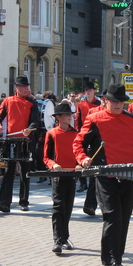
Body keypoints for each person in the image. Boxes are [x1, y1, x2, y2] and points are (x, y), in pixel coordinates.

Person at [73, 84, 133, 266]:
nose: (117, 104)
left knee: (124, 218)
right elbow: (78, 143)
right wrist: (82, 158)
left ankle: (111, 257)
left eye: (121, 101)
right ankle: (116, 261)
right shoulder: (94, 119)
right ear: (106, 100)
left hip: (129, 176)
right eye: (114, 101)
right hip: (106, 176)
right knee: (113, 216)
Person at [0, 76, 39, 212]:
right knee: (9, 171)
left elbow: (35, 121)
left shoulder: (32, 102)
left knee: (25, 172)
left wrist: (29, 129)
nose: (27, 89)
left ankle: (24, 201)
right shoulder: (7, 101)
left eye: (27, 86)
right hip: (11, 141)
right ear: (17, 87)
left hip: (26, 140)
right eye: (24, 87)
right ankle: (4, 203)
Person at [44, 102, 79, 254]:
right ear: (58, 117)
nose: (70, 117)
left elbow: (79, 153)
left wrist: (80, 165)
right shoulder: (51, 134)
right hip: (58, 175)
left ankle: (65, 238)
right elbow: (46, 157)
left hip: (71, 174)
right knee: (58, 207)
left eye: (70, 114)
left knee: (68, 206)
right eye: (66, 115)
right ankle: (57, 240)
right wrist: (53, 165)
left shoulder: (76, 134)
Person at [75, 81, 101, 193]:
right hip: (84, 133)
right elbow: (78, 120)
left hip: (95, 134)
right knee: (81, 158)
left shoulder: (98, 104)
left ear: (94, 91)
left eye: (90, 90)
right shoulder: (81, 105)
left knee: (92, 159)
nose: (88, 92)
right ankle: (83, 183)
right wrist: (78, 132)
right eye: (86, 91)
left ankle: (92, 181)